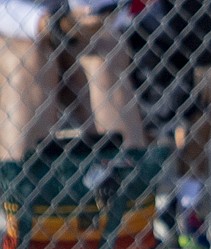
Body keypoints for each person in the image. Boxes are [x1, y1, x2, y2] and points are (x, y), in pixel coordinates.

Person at [127, 0, 211, 249]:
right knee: (145, 124)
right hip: (138, 49)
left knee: (202, 108)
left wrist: (209, 59)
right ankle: (150, 210)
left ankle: (187, 208)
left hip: (188, 50)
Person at [0, 0, 146, 161]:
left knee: (104, 56)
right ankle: (17, 178)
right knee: (28, 61)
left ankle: (127, 176)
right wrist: (49, 24)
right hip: (12, 26)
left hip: (66, 25)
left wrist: (91, 17)